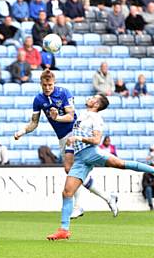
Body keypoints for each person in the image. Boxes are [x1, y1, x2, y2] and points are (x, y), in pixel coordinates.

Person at [46, 94, 154, 240]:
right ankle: (64, 230)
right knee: (67, 192)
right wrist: (56, 117)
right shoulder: (83, 115)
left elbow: (97, 140)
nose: (90, 97)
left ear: (96, 104)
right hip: (80, 159)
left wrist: (77, 138)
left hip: (91, 153)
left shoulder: (96, 118)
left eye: (93, 97)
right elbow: (68, 120)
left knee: (120, 164)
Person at [14, 70, 115, 220]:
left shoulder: (63, 93)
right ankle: (107, 197)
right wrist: (22, 131)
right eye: (44, 85)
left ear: (54, 83)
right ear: (41, 84)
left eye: (50, 85)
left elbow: (69, 116)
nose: (47, 88)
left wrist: (57, 117)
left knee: (71, 170)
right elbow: (34, 123)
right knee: (72, 172)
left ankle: (80, 205)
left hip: (74, 133)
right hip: (62, 138)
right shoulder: (38, 100)